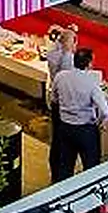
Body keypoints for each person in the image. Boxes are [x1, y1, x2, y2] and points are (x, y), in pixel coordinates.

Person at [50, 48, 108, 187]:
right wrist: (99, 122)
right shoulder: (92, 82)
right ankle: (92, 206)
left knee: (64, 169)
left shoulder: (61, 76)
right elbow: (105, 111)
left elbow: (54, 98)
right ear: (89, 64)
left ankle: (63, 202)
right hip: (86, 129)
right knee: (91, 170)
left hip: (65, 128)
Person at [44, 26, 79, 179]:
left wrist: (65, 34)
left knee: (56, 139)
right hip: (67, 105)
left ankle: (55, 171)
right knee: (66, 142)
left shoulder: (53, 55)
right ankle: (64, 174)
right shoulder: (70, 61)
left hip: (55, 101)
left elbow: (60, 43)